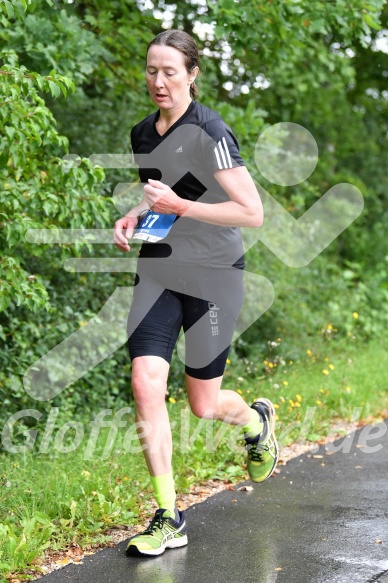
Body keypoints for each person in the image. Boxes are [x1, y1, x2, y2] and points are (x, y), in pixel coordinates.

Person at [113, 29, 278, 557]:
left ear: (191, 74)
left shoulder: (210, 130)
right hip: (161, 268)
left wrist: (179, 209)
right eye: (151, 70)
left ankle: (256, 421)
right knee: (145, 380)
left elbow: (251, 213)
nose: (158, 81)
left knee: (203, 405)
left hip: (214, 274)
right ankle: (168, 516)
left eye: (169, 72)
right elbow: (170, 198)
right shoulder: (143, 133)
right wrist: (137, 216)